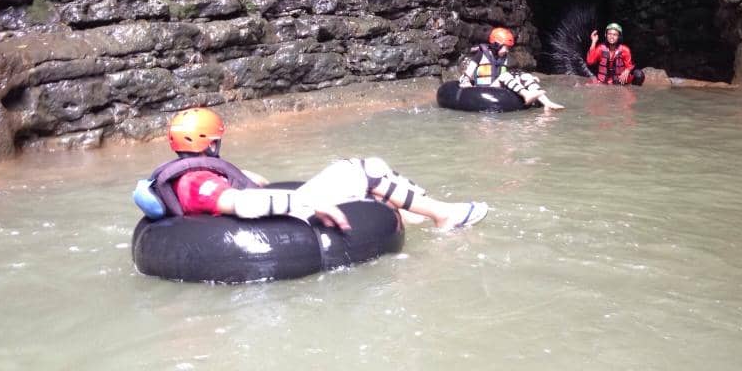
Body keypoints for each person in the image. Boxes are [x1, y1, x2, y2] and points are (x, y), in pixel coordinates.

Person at [133, 107, 489, 231]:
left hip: (272, 216)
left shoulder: (192, 172)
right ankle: (443, 215)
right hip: (276, 226)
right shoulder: (196, 182)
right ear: (211, 143)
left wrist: (244, 177)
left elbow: (251, 187)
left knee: (369, 170)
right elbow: (241, 203)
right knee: (363, 170)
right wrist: (309, 203)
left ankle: (412, 214)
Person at [459, 27, 564, 111]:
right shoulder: (480, 55)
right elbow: (467, 75)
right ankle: (527, 95)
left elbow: (513, 72)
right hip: (485, 89)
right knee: (504, 76)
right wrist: (466, 83)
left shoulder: (504, 57)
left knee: (526, 76)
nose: (507, 51)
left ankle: (547, 103)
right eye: (505, 47)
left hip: (498, 88)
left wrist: (528, 77)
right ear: (496, 45)